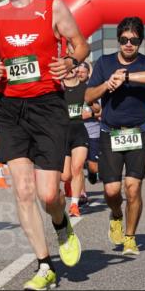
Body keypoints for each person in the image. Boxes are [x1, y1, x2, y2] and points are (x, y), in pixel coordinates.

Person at [0, 0, 89, 291]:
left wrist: (69, 63)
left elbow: (81, 45)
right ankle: (45, 265)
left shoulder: (52, 6)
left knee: (47, 194)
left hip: (47, 107)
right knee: (23, 191)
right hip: (11, 109)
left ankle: (60, 225)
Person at [85, 17, 145, 257]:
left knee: (132, 188)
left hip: (138, 132)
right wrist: (108, 84)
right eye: (124, 39)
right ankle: (116, 215)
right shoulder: (104, 63)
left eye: (134, 40)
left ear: (140, 41)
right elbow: (88, 95)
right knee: (111, 191)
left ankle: (130, 238)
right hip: (110, 133)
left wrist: (127, 77)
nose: (129, 44)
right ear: (118, 40)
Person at [62, 59, 90, 218]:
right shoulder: (57, 89)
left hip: (79, 130)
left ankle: (74, 205)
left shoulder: (85, 88)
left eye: (73, 67)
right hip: (63, 133)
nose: (70, 69)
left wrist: (92, 111)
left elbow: (98, 109)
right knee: (65, 175)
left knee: (78, 167)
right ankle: (68, 184)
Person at [80, 63, 102, 191]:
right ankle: (81, 194)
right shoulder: (71, 87)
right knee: (77, 165)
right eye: (79, 71)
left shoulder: (93, 89)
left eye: (83, 72)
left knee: (93, 166)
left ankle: (92, 171)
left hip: (93, 131)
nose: (80, 74)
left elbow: (102, 111)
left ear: (88, 73)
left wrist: (91, 114)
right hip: (77, 131)